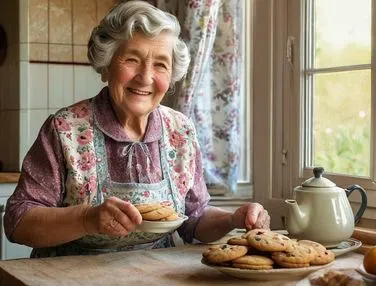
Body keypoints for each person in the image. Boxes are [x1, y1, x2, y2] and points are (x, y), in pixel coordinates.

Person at [4, 0, 270, 257]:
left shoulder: (181, 131)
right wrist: (87, 218)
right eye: (132, 59)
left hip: (156, 274)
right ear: (106, 65)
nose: (145, 77)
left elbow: (195, 217)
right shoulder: (64, 130)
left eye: (160, 65)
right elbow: (19, 221)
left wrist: (233, 218)